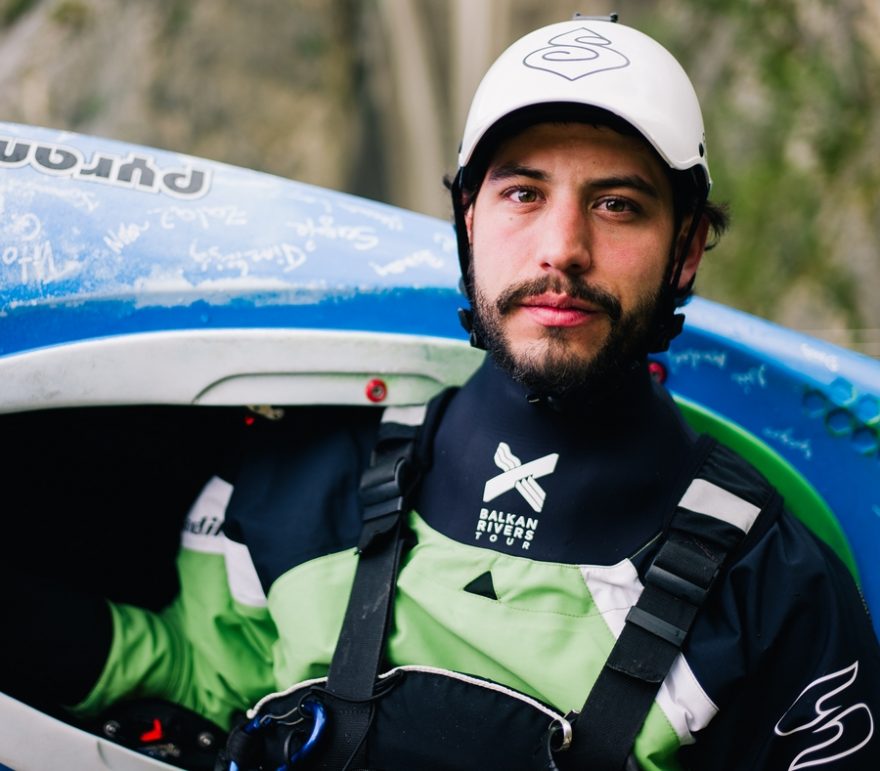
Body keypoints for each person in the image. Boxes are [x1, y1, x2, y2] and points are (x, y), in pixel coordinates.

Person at [4, 15, 880, 771]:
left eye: (616, 205)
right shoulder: (299, 487)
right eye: (523, 193)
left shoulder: (776, 598)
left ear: (686, 249)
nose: (561, 247)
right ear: (467, 220)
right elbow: (196, 678)